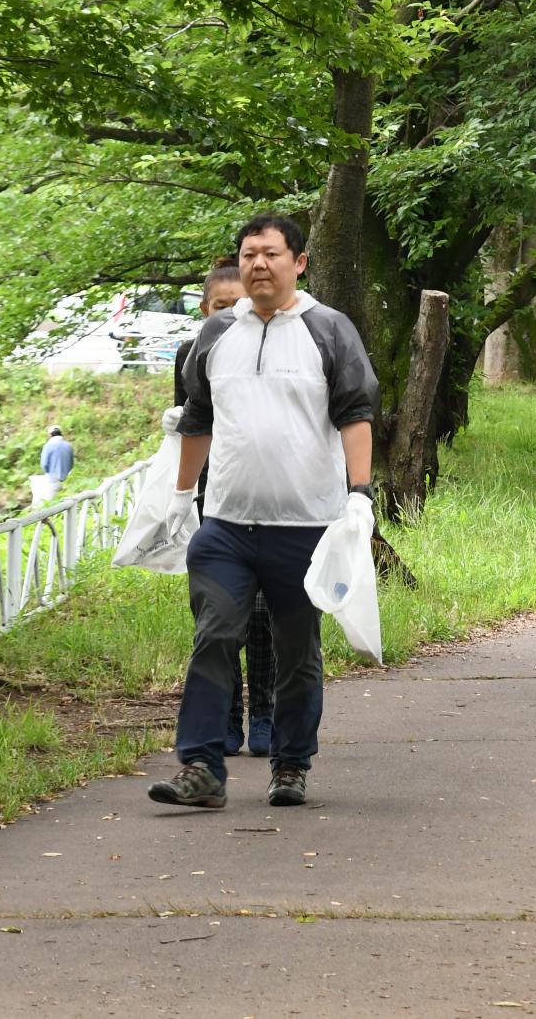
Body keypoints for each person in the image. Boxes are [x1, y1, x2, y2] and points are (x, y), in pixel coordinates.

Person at [150, 214, 378, 810]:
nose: (257, 264)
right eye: (249, 254)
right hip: (227, 523)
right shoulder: (215, 334)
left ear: (298, 263)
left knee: (297, 651)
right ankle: (201, 766)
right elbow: (197, 418)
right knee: (213, 635)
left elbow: (355, 412)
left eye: (270, 254)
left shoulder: (329, 330)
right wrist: (181, 496)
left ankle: (291, 764)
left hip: (306, 525)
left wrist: (360, 493)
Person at [172, 263, 274, 758]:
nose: (232, 314)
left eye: (240, 305)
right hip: (214, 499)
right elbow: (191, 420)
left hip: (270, 499)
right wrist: (181, 493)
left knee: (266, 614)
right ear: (205, 309)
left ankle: (267, 714)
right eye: (221, 307)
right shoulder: (192, 352)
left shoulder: (277, 347)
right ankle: (228, 713)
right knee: (220, 615)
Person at [40, 425, 75, 490]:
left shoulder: (48, 446)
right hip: (67, 479)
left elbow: (44, 464)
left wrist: (48, 473)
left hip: (52, 480)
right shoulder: (68, 445)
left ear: (50, 435)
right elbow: (71, 464)